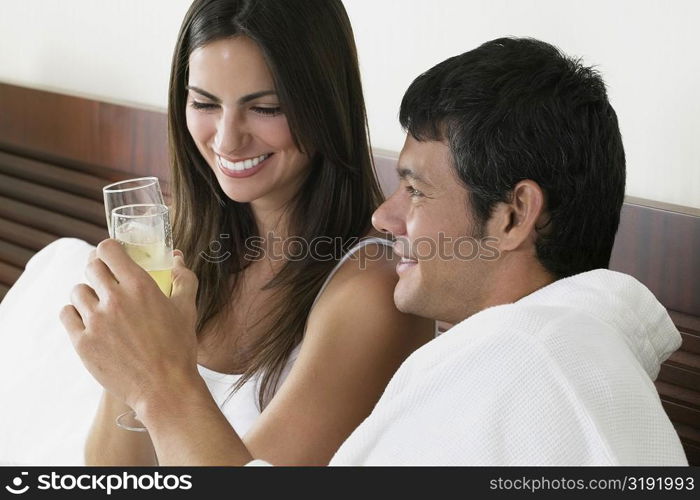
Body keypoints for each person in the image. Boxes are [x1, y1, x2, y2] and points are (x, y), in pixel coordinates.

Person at [62, 37, 688, 465]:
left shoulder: (537, 367)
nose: (384, 216)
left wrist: (161, 383)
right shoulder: (508, 358)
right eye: (204, 102)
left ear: (513, 214)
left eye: (414, 189)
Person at [73, 0, 434, 466]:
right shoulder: (185, 249)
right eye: (204, 103)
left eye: (264, 108)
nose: (226, 140)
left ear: (325, 106)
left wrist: (154, 375)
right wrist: (123, 360)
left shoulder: (374, 287)